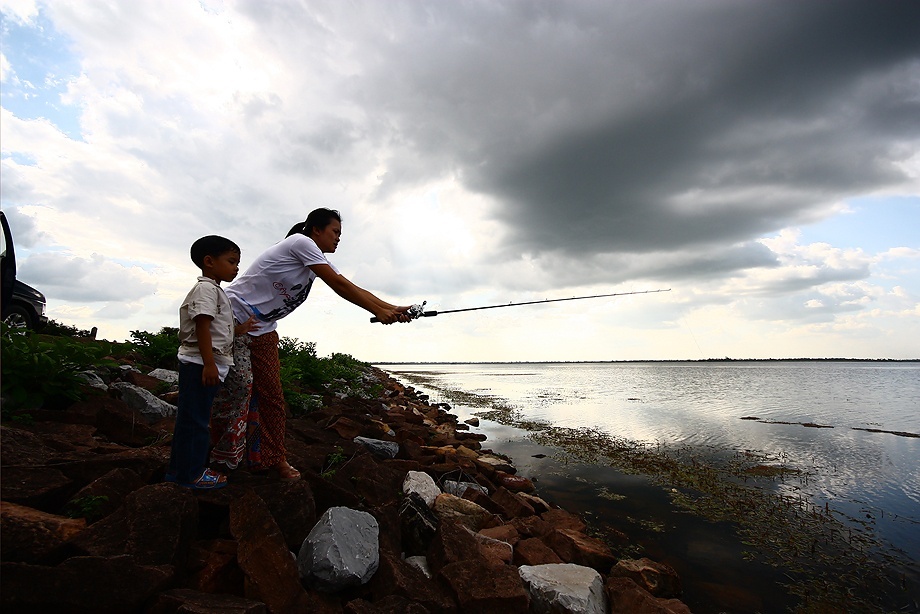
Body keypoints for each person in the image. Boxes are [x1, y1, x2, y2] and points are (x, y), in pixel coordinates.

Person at [209, 208, 411, 479]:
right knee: (234, 393)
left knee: (272, 397)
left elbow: (351, 285)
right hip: (233, 319)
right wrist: (378, 312)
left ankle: (271, 459)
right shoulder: (301, 242)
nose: (339, 238)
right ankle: (214, 457)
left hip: (264, 329)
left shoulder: (313, 261)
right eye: (335, 232)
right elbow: (338, 284)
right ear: (316, 229)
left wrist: (393, 308)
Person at [166, 235, 254, 489]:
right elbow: (202, 324)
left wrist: (241, 329)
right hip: (199, 363)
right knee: (197, 421)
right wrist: (209, 364)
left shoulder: (215, 290)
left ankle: (178, 471)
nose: (236, 267)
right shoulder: (206, 289)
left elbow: (217, 330)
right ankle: (192, 475)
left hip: (201, 361)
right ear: (209, 262)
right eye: (231, 261)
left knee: (189, 419)